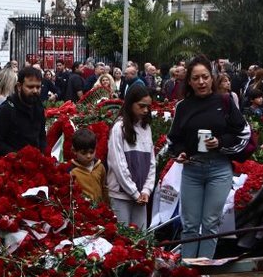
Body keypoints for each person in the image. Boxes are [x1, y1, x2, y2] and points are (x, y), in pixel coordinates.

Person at [167, 56, 251, 259]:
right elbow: (173, 140)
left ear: (212, 79)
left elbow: (243, 133)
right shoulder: (183, 106)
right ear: (189, 81)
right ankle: (187, 272)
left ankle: (203, 272)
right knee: (190, 225)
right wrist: (180, 153)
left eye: (205, 77)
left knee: (210, 224)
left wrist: (220, 143)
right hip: (192, 169)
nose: (201, 82)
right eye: (195, 78)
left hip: (219, 169)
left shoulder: (225, 101)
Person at [107, 84, 156, 230]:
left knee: (140, 237)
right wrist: (134, 192)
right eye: (141, 106)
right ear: (130, 104)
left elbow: (152, 163)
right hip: (122, 195)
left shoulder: (146, 128)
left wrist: (146, 190)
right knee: (123, 237)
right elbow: (118, 164)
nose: (145, 110)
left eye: (148, 106)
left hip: (141, 195)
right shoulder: (119, 128)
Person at [0, 67, 47, 161]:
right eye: (30, 87)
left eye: (38, 87)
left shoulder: (38, 107)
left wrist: (41, 154)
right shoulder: (7, 109)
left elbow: (41, 135)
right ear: (19, 86)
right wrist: (17, 155)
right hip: (10, 165)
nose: (35, 91)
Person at [71, 128, 106, 202]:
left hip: (100, 208)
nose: (88, 156)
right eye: (83, 153)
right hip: (83, 210)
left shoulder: (100, 166)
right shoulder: (72, 171)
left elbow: (104, 187)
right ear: (74, 151)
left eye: (91, 152)